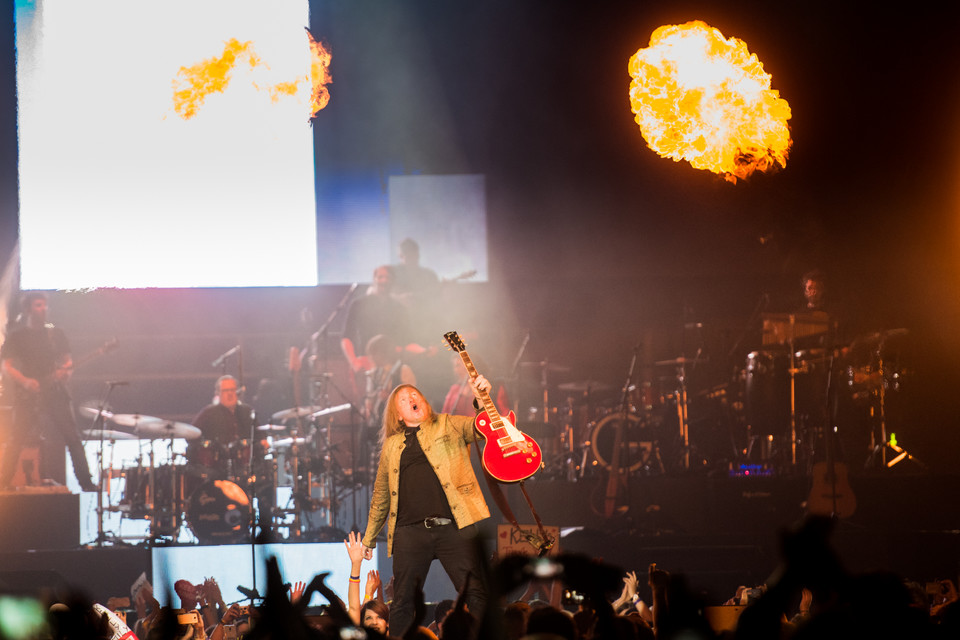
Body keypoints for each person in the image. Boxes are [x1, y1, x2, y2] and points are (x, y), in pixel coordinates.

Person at [360, 378, 493, 637]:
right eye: (403, 398)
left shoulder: (448, 424)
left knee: (476, 593)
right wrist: (369, 538)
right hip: (409, 532)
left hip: (453, 526)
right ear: (398, 415)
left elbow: (482, 427)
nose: (411, 398)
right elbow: (381, 495)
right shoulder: (392, 446)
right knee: (402, 603)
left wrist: (482, 399)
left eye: (414, 393)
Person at [0, 292, 97, 491]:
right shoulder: (17, 336)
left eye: (45, 305)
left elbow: (67, 361)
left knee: (72, 438)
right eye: (38, 305)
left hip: (54, 393)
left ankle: (86, 483)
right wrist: (25, 382)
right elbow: (7, 366)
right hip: (28, 395)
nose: (43, 309)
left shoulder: (55, 333)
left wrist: (65, 372)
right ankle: (3, 481)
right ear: (28, 309)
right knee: (16, 440)